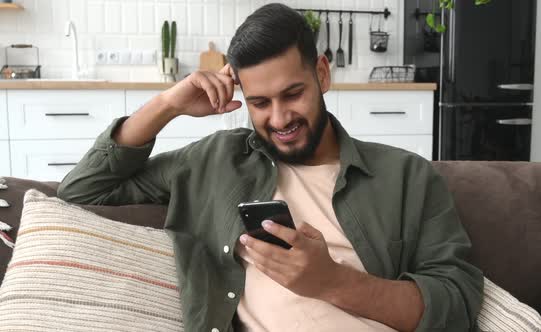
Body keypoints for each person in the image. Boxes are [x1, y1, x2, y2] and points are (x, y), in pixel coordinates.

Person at [57, 3, 483, 332]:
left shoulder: (407, 176)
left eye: (293, 93)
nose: (279, 119)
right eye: (260, 103)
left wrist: (332, 281)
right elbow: (81, 191)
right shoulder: (213, 162)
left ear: (322, 74)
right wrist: (166, 105)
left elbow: (458, 302)